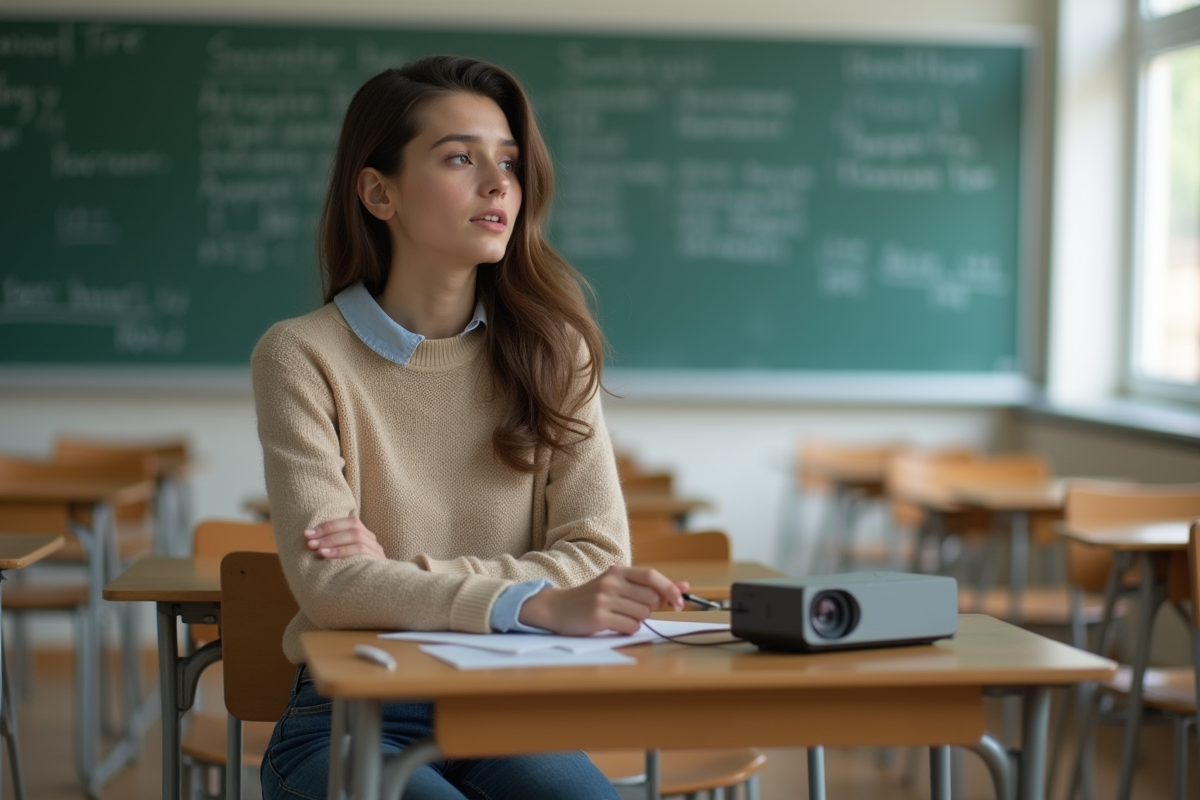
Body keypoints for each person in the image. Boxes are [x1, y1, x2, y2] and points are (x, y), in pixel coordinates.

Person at [251, 55, 687, 800]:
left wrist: (394, 572)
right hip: (350, 718)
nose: (498, 186)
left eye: (509, 164)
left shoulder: (556, 351)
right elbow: (332, 589)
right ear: (377, 191)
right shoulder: (301, 356)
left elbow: (597, 555)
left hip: (508, 713)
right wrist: (532, 600)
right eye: (460, 158)